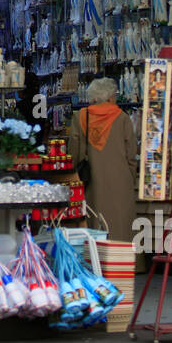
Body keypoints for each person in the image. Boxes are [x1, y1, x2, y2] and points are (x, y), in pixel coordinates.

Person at [67, 77, 139, 241]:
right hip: (120, 182)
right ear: (110, 97)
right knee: (120, 226)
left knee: (95, 222)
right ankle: (120, 261)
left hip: (93, 181)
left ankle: (96, 260)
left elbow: (74, 152)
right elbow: (131, 154)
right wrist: (130, 176)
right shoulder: (122, 118)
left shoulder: (81, 117)